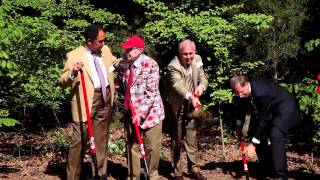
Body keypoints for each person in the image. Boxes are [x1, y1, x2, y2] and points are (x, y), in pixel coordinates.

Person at [59, 24, 116, 180]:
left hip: (105, 97)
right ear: (89, 41)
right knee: (79, 141)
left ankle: (100, 173)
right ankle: (73, 176)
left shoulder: (105, 50)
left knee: (101, 139)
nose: (103, 43)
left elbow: (114, 64)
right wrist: (73, 73)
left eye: (104, 40)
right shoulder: (74, 55)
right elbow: (63, 80)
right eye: (100, 41)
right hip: (85, 102)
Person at [230, 75, 300, 180]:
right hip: (271, 110)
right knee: (254, 132)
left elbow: (265, 119)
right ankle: (268, 168)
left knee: (275, 134)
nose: (240, 95)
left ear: (246, 84)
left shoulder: (260, 92)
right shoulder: (247, 90)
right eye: (237, 92)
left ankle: (280, 175)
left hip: (286, 107)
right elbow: (242, 107)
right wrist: (238, 126)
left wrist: (253, 145)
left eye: (241, 92)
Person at [115, 35, 165, 180]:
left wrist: (141, 113)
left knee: (152, 147)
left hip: (151, 113)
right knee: (132, 147)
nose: (127, 53)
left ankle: (152, 175)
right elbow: (121, 84)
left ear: (139, 50)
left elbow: (151, 92)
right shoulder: (124, 64)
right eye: (126, 50)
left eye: (130, 50)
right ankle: (133, 176)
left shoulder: (151, 65)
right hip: (131, 112)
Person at [165, 39, 208, 180]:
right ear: (179, 54)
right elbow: (178, 86)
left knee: (192, 135)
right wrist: (191, 97)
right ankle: (177, 171)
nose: (189, 57)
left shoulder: (198, 59)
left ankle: (194, 168)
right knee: (177, 138)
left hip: (192, 104)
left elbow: (203, 78)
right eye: (185, 54)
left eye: (191, 53)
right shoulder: (173, 66)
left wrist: (201, 87)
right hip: (177, 104)